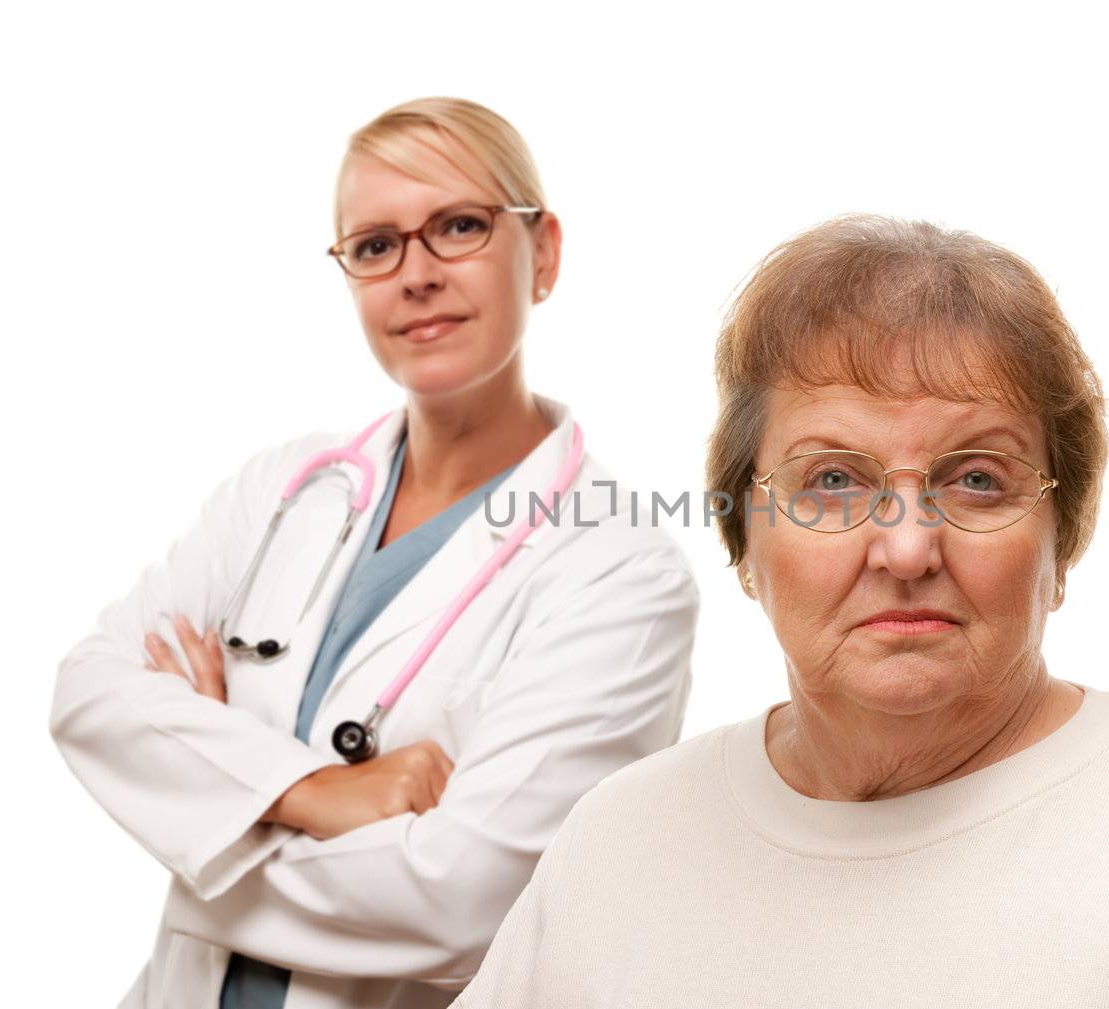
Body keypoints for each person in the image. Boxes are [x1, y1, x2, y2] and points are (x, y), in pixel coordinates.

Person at [455, 214, 1109, 1007]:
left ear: (1065, 534)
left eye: (975, 479)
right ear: (745, 539)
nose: (909, 547)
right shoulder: (623, 841)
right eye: (834, 479)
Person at [49, 97, 699, 1008]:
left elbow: (462, 899)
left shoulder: (619, 571)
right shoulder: (285, 489)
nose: (416, 274)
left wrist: (202, 816)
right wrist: (314, 790)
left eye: (459, 227)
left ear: (542, 252)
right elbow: (89, 693)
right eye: (375, 245)